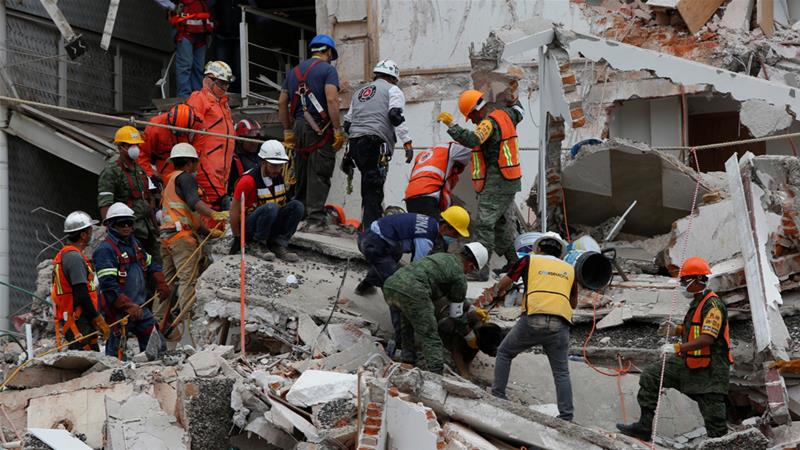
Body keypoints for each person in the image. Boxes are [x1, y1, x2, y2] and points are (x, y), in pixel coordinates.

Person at [617, 257, 732, 441]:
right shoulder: (698, 302)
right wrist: (677, 329)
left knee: (714, 419)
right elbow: (696, 329)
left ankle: (721, 443)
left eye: (685, 280)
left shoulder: (713, 305)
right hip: (690, 362)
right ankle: (644, 427)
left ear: (698, 280)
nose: (682, 285)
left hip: (710, 370)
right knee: (652, 375)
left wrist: (678, 347)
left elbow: (708, 337)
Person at [480, 232, 576, 422]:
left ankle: (498, 396)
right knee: (561, 372)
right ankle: (566, 416)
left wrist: (497, 293)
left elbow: (506, 282)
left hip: (533, 317)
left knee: (505, 353)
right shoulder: (569, 268)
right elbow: (573, 303)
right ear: (560, 253)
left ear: (538, 248)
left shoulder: (530, 261)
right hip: (561, 323)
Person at [438, 90, 524, 281]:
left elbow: (473, 139)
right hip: (509, 180)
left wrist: (452, 125)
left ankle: (480, 269)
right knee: (501, 226)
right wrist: (513, 95)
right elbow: (520, 110)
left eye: (471, 116)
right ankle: (515, 264)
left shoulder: (488, 122)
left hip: (496, 182)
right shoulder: (507, 115)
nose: (473, 121)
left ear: (477, 110)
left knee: (485, 225)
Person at [382, 242, 489, 373]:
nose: (469, 272)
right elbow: (456, 313)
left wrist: (471, 308)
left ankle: (407, 361)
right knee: (430, 334)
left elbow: (454, 296)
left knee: (408, 325)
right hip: (414, 292)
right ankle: (436, 373)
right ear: (471, 265)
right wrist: (468, 335)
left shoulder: (442, 257)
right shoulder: (459, 277)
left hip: (391, 285)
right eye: (472, 270)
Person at [157, 143, 227, 339]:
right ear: (189, 162)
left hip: (167, 237)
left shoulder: (170, 181)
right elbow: (193, 202)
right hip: (181, 240)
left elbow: (187, 216)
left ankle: (158, 322)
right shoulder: (186, 178)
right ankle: (187, 327)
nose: (196, 166)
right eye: (195, 162)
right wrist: (216, 214)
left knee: (167, 283)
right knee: (188, 281)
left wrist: (208, 233)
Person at [277, 34, 344, 232]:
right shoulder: (328, 70)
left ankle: (299, 216)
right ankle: (315, 219)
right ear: (329, 52)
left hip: (298, 126)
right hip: (319, 128)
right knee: (319, 171)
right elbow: (332, 100)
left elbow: (282, 102)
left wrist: (288, 130)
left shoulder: (294, 72)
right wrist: (337, 129)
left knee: (301, 170)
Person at [93, 203, 171, 359]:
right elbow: (108, 285)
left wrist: (161, 282)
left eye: (130, 223)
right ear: (111, 225)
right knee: (116, 357)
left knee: (156, 349)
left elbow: (150, 264)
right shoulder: (105, 251)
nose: (127, 226)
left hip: (140, 308)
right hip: (118, 313)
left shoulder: (135, 244)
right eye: (122, 223)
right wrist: (128, 306)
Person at [341, 59, 413, 229]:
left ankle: (365, 225)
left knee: (367, 184)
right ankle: (372, 232)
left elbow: (347, 123)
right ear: (394, 78)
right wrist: (407, 142)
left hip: (355, 145)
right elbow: (395, 116)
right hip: (375, 143)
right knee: (374, 187)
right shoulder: (393, 90)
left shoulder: (360, 91)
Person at [230, 140, 304, 262]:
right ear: (263, 162)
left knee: (297, 206)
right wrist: (237, 237)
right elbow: (233, 210)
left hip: (268, 223)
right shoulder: (248, 181)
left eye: (280, 166)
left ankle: (278, 244)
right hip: (250, 227)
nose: (278, 169)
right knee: (271, 207)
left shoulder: (277, 176)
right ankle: (257, 244)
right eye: (274, 165)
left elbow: (284, 205)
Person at [98, 125, 161, 265]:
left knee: (153, 264)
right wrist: (113, 232)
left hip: (146, 229)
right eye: (130, 145)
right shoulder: (111, 172)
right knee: (134, 265)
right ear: (120, 147)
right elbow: (105, 203)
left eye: (137, 145)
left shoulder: (139, 170)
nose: (135, 148)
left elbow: (147, 199)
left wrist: (156, 227)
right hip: (127, 229)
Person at [51, 211, 110, 351]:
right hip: (79, 321)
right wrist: (96, 318)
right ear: (83, 235)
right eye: (90, 231)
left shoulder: (67, 255)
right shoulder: (74, 258)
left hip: (76, 319)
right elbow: (81, 293)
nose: (92, 234)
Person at [186, 61, 236, 213]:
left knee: (220, 207)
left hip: (223, 166)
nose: (225, 88)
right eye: (222, 83)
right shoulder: (198, 98)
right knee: (212, 202)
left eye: (227, 84)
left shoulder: (224, 105)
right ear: (209, 79)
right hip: (206, 163)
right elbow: (191, 133)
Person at [154, 0, 214, 98]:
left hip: (201, 33)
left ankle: (197, 97)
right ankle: (184, 97)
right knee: (185, 66)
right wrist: (172, 7)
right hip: (185, 32)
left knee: (198, 68)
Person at [404, 143, 472, 218]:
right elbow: (474, 151)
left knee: (418, 227)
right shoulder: (454, 149)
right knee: (433, 228)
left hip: (410, 198)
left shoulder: (424, 154)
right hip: (428, 197)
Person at [138, 103, 200, 184]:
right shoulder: (154, 127)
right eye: (177, 132)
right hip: (162, 163)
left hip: (187, 163)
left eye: (182, 132)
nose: (180, 134)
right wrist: (150, 175)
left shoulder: (198, 125)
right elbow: (142, 154)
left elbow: (200, 150)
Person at [227, 119, 262, 194]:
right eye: (251, 139)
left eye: (257, 139)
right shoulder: (232, 160)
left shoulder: (262, 154)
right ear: (240, 140)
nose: (255, 143)